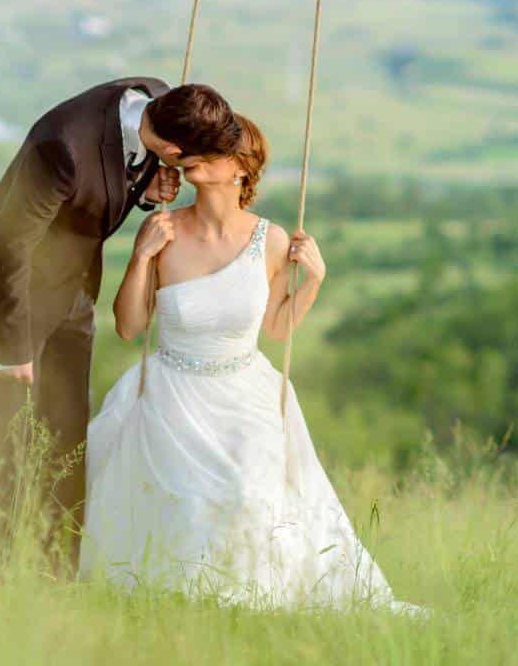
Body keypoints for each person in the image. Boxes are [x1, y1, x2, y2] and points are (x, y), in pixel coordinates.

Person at [79, 114, 417, 612]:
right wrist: (141, 258)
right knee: (183, 502)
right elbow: (130, 328)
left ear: (241, 168)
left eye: (210, 150)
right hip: (172, 392)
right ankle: (175, 602)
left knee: (246, 493)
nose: (193, 155)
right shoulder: (163, 229)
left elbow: (278, 329)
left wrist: (314, 282)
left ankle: (248, 600)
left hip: (244, 393)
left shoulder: (271, 240)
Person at [0, 78, 241, 566]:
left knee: (68, 431)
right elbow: (10, 246)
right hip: (13, 298)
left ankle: (61, 563)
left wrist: (145, 190)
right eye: (191, 165)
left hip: (73, 289)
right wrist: (14, 346)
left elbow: (117, 180)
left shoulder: (157, 97)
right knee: (6, 434)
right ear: (173, 149)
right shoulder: (62, 147)